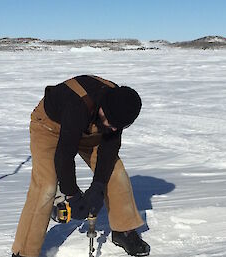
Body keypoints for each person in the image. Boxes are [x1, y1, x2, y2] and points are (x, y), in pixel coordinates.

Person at [12, 75, 150, 257]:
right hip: (49, 128)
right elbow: (64, 155)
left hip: (90, 130)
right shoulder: (77, 104)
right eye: (112, 123)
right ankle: (24, 251)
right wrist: (73, 195)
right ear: (103, 110)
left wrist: (98, 186)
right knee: (46, 186)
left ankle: (123, 231)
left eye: (119, 126)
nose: (115, 129)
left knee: (116, 173)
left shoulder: (119, 105)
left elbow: (109, 149)